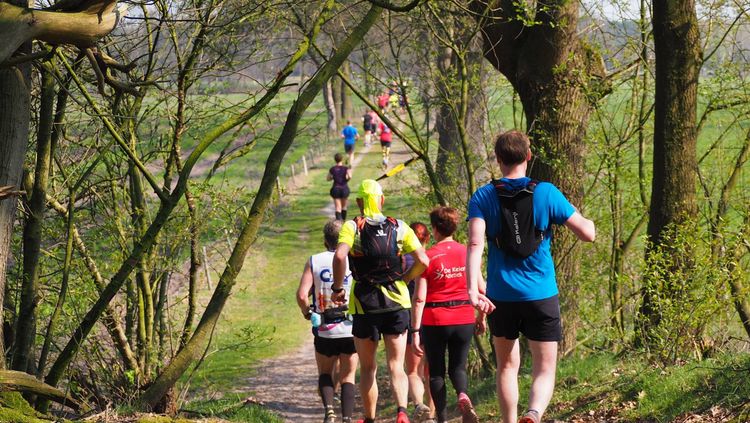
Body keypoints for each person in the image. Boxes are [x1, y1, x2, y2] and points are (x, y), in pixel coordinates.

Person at [466, 130, 596, 423]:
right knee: (544, 368)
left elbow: (474, 243)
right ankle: (534, 414)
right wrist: (582, 217)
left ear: (498, 159)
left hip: (500, 297)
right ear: (528, 155)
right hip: (541, 294)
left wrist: (473, 290)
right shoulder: (547, 192)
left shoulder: (483, 196)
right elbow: (588, 234)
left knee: (506, 367)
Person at [331, 179, 430, 423]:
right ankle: (402, 412)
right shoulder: (400, 226)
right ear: (382, 200)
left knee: (368, 368)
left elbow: (340, 256)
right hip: (397, 303)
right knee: (396, 365)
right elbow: (424, 261)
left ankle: (370, 418)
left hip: (365, 305)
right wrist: (406, 278)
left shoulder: (352, 226)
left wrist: (337, 288)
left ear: (359, 202)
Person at [411, 207, 494, 423]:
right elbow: (482, 289)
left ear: (434, 228)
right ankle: (463, 395)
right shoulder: (468, 253)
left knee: (436, 372)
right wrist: (481, 318)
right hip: (464, 317)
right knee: (458, 367)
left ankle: (442, 418)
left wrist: (415, 331)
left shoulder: (427, 257)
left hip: (435, 319)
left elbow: (419, 298)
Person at [296, 220, 359, 423]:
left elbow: (302, 295)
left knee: (325, 372)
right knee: (348, 376)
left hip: (325, 328)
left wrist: (308, 313)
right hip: (350, 327)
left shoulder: (314, 260)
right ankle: (347, 418)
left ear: (325, 241)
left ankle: (329, 411)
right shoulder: (354, 259)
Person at [404, 222, 434, 422]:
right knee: (432, 371)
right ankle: (432, 415)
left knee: (413, 370)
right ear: (427, 238)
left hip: (409, 318)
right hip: (433, 318)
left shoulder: (401, 260)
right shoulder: (434, 258)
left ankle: (419, 404)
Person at [328, 153, 352, 221]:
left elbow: (328, 178)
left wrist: (333, 177)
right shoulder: (345, 168)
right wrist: (347, 179)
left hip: (336, 189)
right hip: (344, 189)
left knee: (338, 208)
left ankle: (338, 223)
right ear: (342, 159)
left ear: (335, 160)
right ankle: (343, 222)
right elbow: (350, 176)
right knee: (344, 207)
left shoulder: (332, 169)